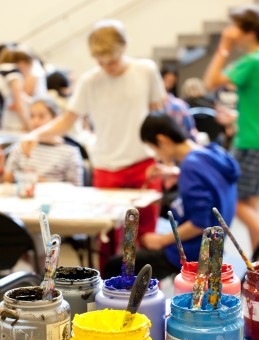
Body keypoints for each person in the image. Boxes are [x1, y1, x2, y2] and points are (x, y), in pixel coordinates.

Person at [21, 19, 166, 266]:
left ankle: (144, 290)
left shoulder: (146, 70)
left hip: (144, 164)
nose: (107, 67)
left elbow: (158, 116)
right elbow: (68, 120)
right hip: (106, 167)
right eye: (101, 62)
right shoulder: (90, 81)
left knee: (144, 238)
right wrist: (35, 134)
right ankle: (107, 292)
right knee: (105, 241)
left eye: (112, 61)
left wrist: (165, 160)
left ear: (124, 49)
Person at [104, 111, 239, 280]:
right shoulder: (212, 152)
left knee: (113, 266)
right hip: (214, 246)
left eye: (154, 149)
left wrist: (161, 241)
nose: (156, 156)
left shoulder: (190, 167)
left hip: (192, 252)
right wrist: (176, 173)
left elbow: (199, 223)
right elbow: (211, 182)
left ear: (162, 141)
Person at [203, 4, 259, 261]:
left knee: (234, 199)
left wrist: (224, 45)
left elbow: (210, 82)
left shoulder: (251, 60)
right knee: (251, 202)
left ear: (247, 31)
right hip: (251, 137)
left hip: (249, 142)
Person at [3, 96, 84, 186]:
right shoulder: (21, 146)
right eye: (31, 116)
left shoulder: (70, 152)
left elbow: (76, 189)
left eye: (41, 116)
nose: (35, 121)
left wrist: (43, 183)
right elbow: (7, 181)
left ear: (55, 119)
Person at [0, 47, 33, 131]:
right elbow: (19, 103)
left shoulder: (4, 69)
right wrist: (30, 129)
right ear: (23, 63)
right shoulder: (14, 73)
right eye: (30, 67)